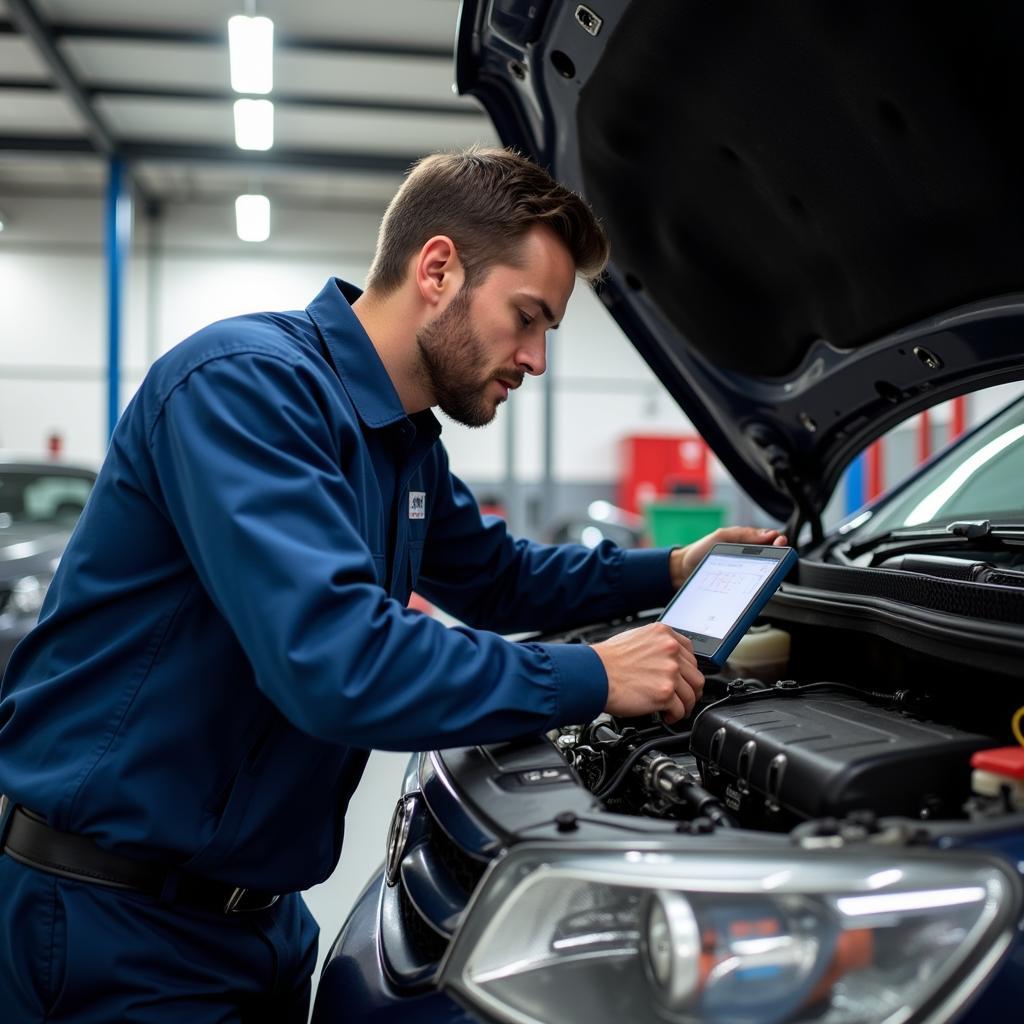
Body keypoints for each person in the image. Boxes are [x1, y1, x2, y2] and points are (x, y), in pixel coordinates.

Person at [0, 147, 785, 1022]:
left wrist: (672, 567)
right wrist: (595, 676)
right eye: (527, 318)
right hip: (113, 923)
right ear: (439, 268)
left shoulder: (405, 443)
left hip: (258, 922)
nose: (535, 359)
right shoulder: (247, 387)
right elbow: (340, 663)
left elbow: (498, 578)